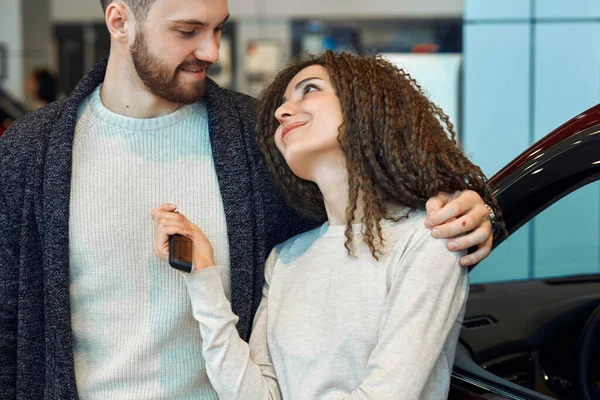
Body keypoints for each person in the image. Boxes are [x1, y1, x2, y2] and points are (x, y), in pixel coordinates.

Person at [0, 0, 497, 399]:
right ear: (120, 20)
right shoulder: (30, 152)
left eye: (218, 28)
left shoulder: (257, 139)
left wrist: (474, 206)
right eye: (188, 30)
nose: (211, 50)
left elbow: (368, 197)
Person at [151, 51, 504, 399]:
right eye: (283, 102)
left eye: (310, 89)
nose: (281, 111)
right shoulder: (286, 258)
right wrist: (204, 278)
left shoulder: (429, 239)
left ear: (365, 106)